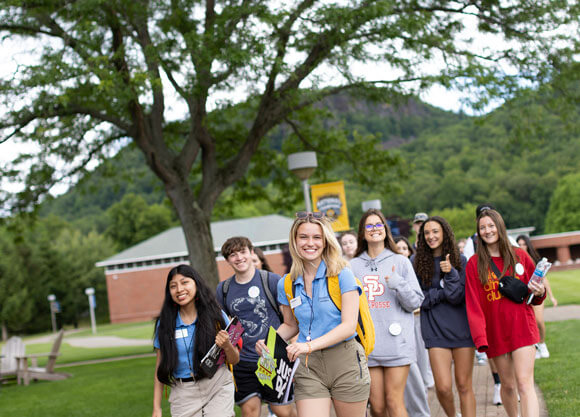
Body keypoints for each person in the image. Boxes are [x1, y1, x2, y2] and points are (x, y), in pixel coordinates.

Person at [257, 211, 370, 417]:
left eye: (317, 237)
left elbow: (348, 326)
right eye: (304, 237)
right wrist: (270, 342)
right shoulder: (287, 283)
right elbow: (291, 325)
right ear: (295, 241)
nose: (310, 243)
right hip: (309, 366)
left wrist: (308, 345)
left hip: (345, 360)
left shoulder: (342, 274)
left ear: (326, 241)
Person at [465, 209, 546, 417]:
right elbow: (473, 305)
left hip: (522, 327)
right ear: (478, 233)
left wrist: (540, 291)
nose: (487, 231)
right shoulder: (474, 264)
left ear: (500, 227)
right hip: (496, 332)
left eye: (491, 226)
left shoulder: (519, 255)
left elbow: (533, 293)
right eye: (482, 227)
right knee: (508, 386)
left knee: (524, 383)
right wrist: (480, 338)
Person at [350, 209, 424, 417]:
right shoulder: (352, 266)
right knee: (378, 407)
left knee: (394, 401)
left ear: (385, 229)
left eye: (378, 225)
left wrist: (398, 283)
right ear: (362, 233)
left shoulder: (400, 262)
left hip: (397, 345)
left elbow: (415, 302)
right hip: (369, 346)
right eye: (369, 226)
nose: (375, 229)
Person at [217, 237, 296, 417]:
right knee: (250, 410)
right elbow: (226, 325)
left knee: (282, 411)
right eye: (233, 255)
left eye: (243, 252)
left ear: (252, 253)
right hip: (242, 361)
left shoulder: (272, 281)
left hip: (272, 358)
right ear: (227, 260)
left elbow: (289, 321)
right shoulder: (223, 289)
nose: (239, 258)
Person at [152, 264, 240, 417]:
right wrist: (157, 408)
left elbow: (234, 359)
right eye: (173, 286)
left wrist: (226, 345)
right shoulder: (165, 323)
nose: (179, 289)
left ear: (196, 284)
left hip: (216, 384)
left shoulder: (216, 315)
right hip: (183, 393)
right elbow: (159, 367)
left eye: (185, 282)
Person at [413, 216, 476, 417]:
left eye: (435, 231)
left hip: (461, 328)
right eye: (427, 233)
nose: (431, 236)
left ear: (445, 233)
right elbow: (418, 300)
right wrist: (440, 292)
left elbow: (457, 296)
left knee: (464, 386)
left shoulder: (460, 260)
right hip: (434, 328)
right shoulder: (416, 262)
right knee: (443, 387)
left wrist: (449, 275)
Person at [394, 235, 432, 417]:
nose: (401, 251)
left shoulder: (411, 269)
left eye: (404, 248)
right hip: (394, 332)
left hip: (417, 322)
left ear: (409, 251)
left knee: (419, 371)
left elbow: (417, 300)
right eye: (397, 248)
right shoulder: (388, 271)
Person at [516, 234, 558, 359]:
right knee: (530, 323)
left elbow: (544, 280)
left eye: (524, 244)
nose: (522, 246)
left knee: (539, 321)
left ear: (528, 245)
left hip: (537, 295)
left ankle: (542, 343)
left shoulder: (536, 261)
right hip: (524, 295)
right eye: (519, 244)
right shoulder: (516, 259)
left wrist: (551, 296)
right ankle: (535, 347)